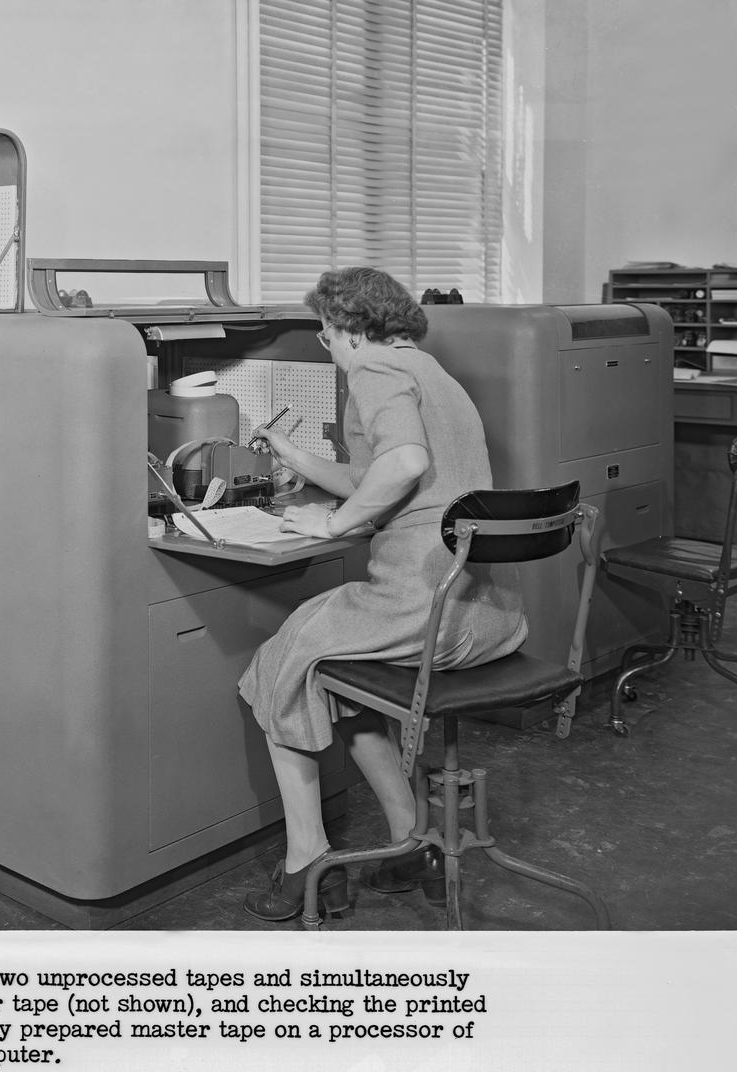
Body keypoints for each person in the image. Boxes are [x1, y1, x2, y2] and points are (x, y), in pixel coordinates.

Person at [239, 266, 528, 922]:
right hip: (488, 611)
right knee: (336, 679)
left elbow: (405, 464)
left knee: (279, 664)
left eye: (325, 335)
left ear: (348, 329)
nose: (326, 347)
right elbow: (385, 472)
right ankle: (409, 844)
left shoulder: (371, 371)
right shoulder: (430, 374)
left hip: (421, 605)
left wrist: (331, 522)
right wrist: (294, 454)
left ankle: (306, 860)